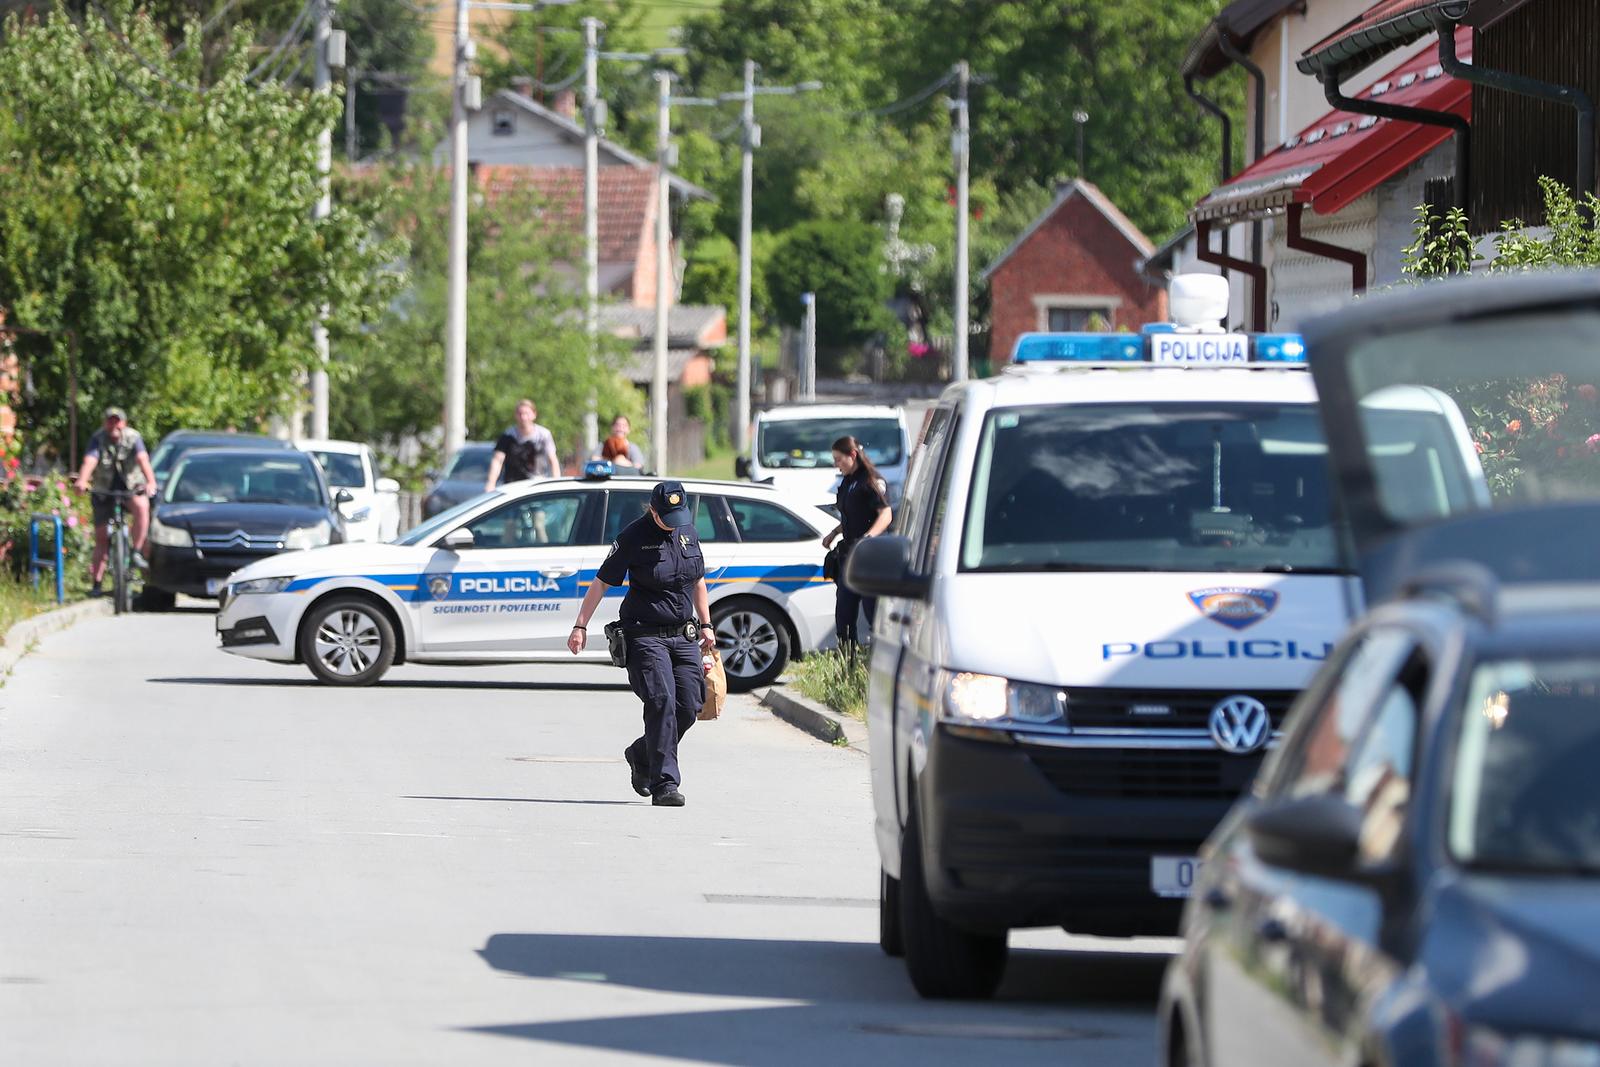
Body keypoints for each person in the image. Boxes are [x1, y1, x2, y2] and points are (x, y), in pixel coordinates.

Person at [568, 480, 715, 807]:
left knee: (689, 706)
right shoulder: (632, 537)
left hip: (683, 633)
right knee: (661, 700)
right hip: (644, 634)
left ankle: (642, 752)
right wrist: (580, 625)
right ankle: (665, 784)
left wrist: (706, 624)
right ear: (652, 510)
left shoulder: (688, 531)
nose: (672, 523)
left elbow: (698, 581)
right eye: (666, 517)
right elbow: (601, 583)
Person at [73, 406, 158, 597]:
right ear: (105, 423)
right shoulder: (98, 439)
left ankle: (135, 551)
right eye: (110, 420)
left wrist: (151, 481)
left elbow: (143, 459)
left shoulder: (133, 438)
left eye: (117, 420)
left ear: (124, 423)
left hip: (131, 487)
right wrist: (82, 480)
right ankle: (97, 583)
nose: (114, 424)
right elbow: (90, 460)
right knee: (101, 537)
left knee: (142, 506)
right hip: (104, 490)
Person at [821, 435, 893, 646]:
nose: (836, 464)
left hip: (870, 557)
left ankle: (878, 656)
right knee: (844, 612)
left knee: (873, 612)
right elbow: (853, 516)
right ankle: (846, 662)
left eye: (839, 459)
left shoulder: (870, 480)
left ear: (852, 455)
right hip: (850, 556)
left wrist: (867, 539)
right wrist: (834, 533)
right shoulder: (848, 482)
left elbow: (885, 514)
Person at [485, 398, 560, 490]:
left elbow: (552, 460)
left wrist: (556, 483)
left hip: (537, 485)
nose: (523, 417)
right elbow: (497, 460)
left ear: (534, 415)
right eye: (520, 414)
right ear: (515, 415)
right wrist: (490, 483)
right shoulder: (508, 435)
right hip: (512, 486)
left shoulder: (543, 435)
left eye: (527, 414)